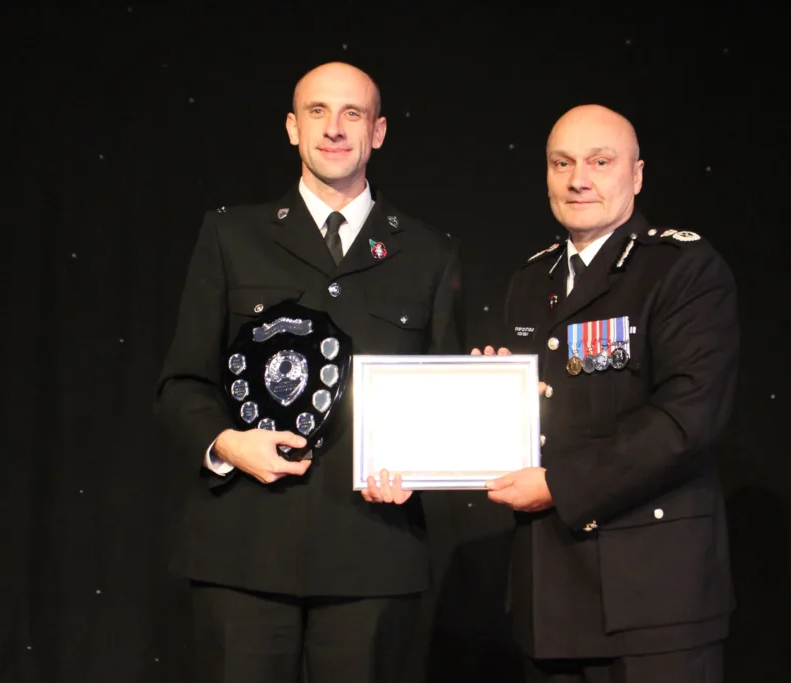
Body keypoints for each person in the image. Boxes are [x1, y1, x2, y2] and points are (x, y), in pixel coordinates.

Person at [154, 61, 463, 683]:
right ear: (293, 128)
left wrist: (427, 463)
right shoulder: (230, 235)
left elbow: (444, 401)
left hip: (372, 552)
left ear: (377, 132)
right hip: (244, 549)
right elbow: (181, 384)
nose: (334, 129)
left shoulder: (429, 253)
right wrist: (229, 445)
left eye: (353, 114)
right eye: (317, 112)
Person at [474, 105, 739, 682]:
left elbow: (686, 422)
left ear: (637, 175)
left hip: (655, 596)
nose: (578, 180)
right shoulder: (529, 281)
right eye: (561, 163)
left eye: (600, 161)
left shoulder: (682, 269)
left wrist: (559, 486)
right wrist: (487, 398)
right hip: (551, 591)